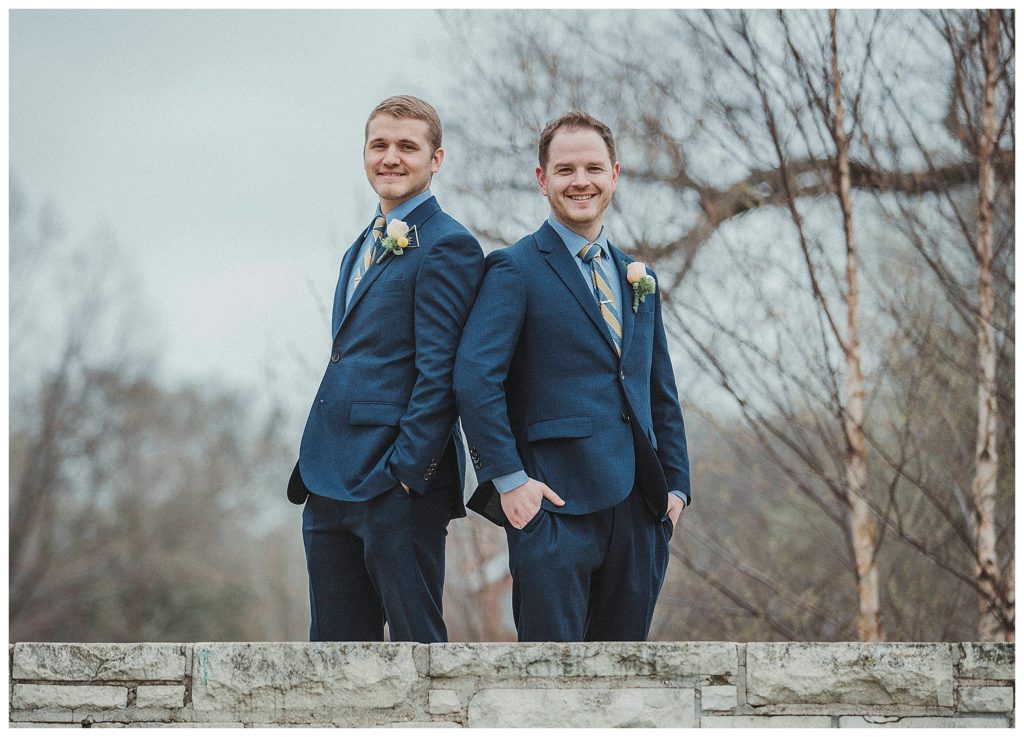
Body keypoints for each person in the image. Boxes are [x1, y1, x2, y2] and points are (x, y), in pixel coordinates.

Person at [453, 111, 691, 642]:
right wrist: (510, 483)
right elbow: (475, 379)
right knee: (551, 689)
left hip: (640, 511)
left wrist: (676, 486)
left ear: (615, 175)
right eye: (565, 170)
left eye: (592, 168)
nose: (580, 181)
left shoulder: (639, 277)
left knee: (623, 687)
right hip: (553, 508)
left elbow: (659, 389)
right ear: (542, 179)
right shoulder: (514, 269)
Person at [288, 95, 484, 643]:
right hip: (328, 480)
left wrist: (405, 475)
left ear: (436, 158)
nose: (391, 157)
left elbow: (441, 373)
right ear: (365, 153)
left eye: (407, 146)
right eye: (380, 145)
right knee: (333, 655)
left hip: (396, 489)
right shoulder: (360, 247)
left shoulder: (450, 247)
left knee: (418, 655)